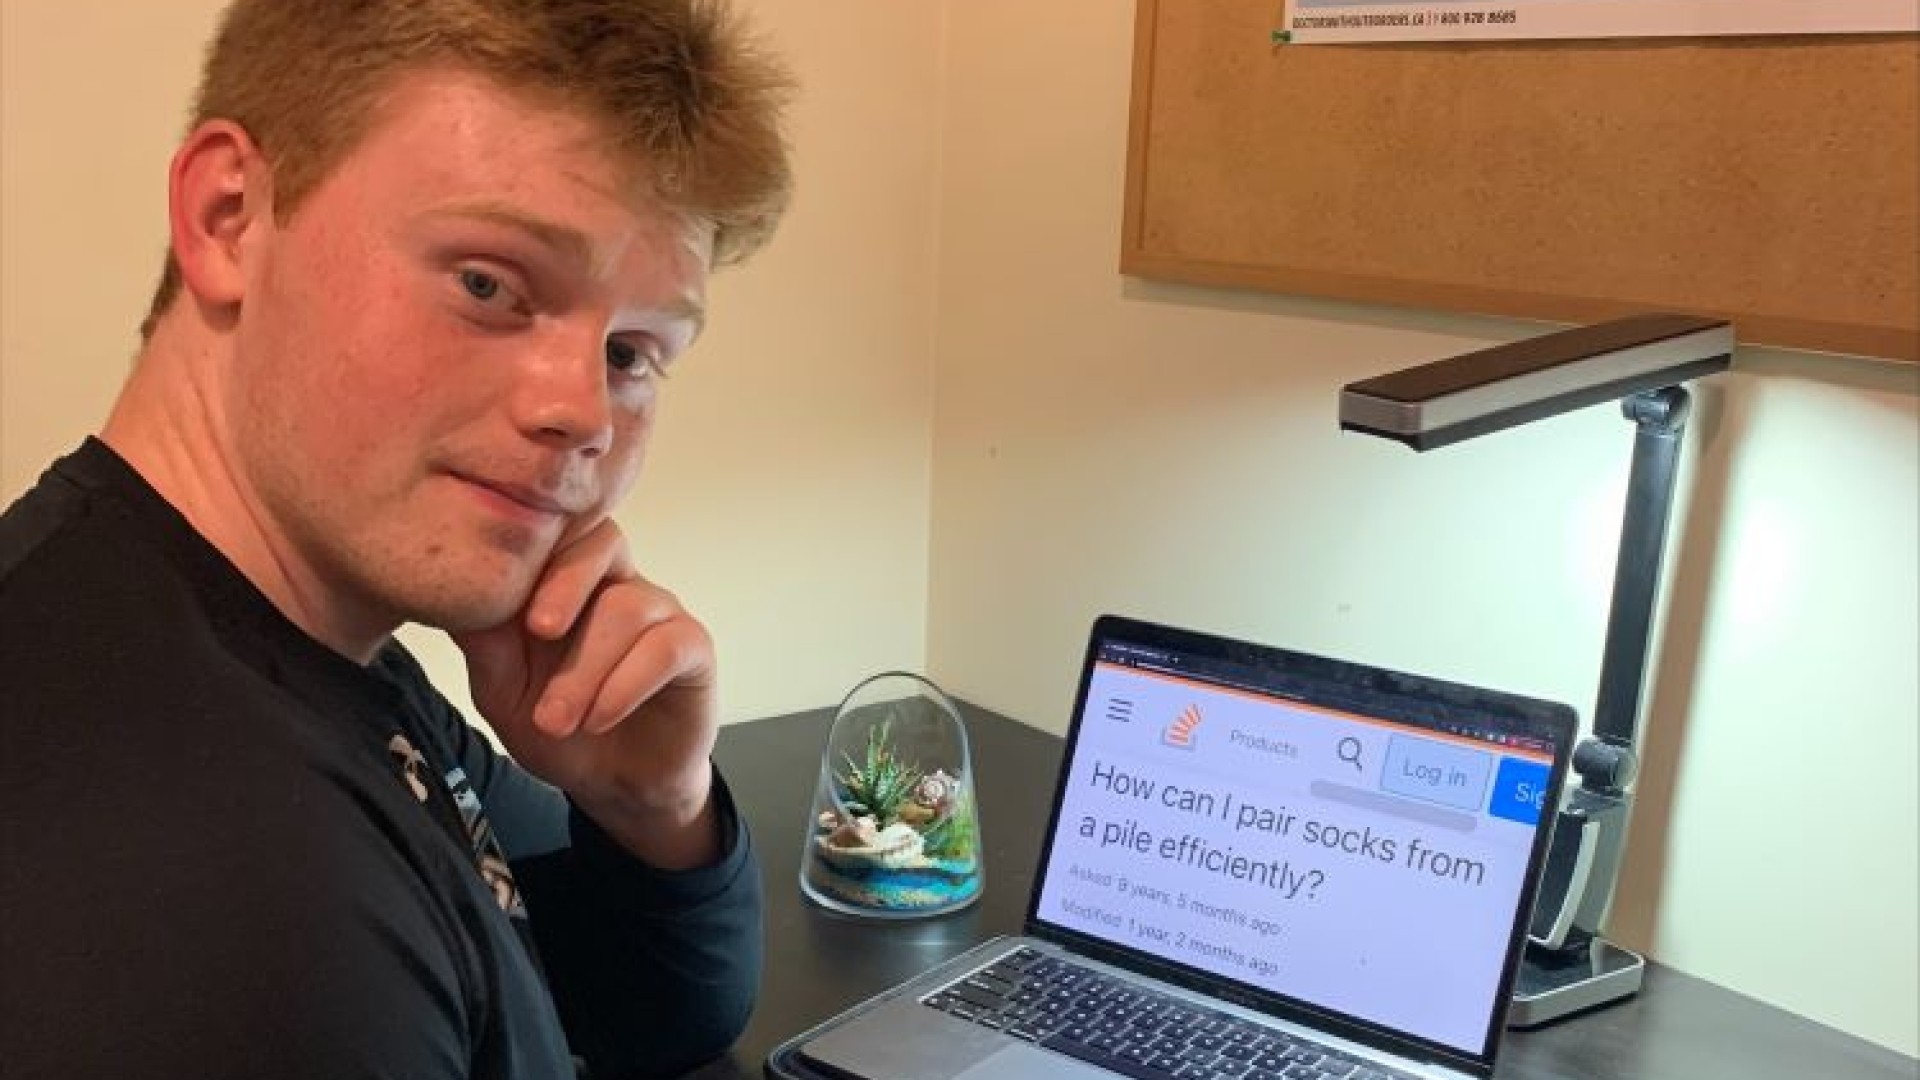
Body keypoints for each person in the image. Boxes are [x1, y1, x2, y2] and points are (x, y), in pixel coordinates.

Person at [0, 1, 792, 1077]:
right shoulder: (211, 897)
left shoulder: (318, 648)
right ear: (230, 216)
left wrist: (653, 808)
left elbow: (641, 1013)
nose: (585, 413)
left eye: (633, 352)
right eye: (488, 285)